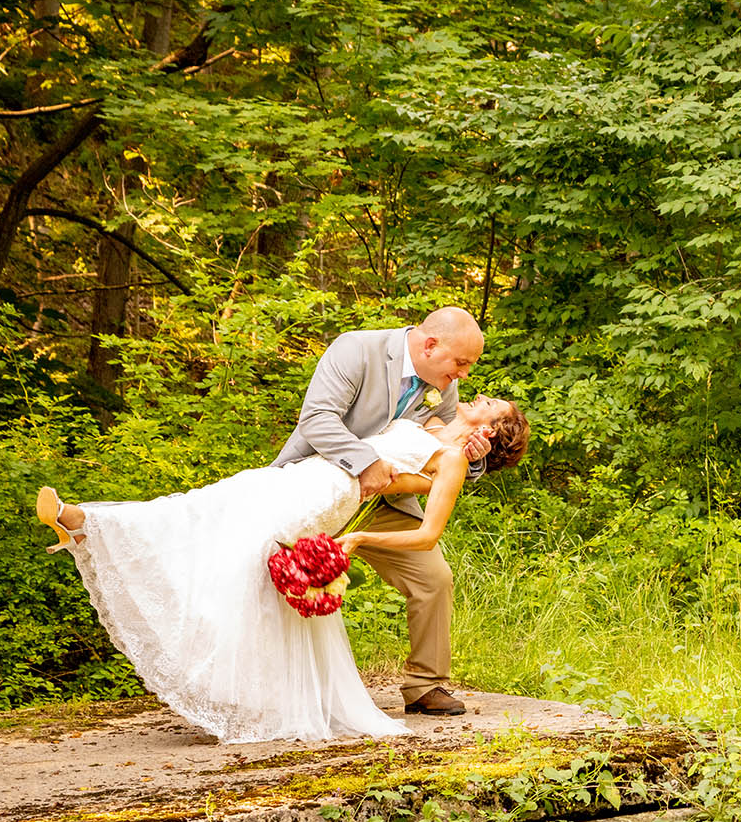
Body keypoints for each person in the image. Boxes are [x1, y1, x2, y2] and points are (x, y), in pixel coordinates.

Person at [36, 397, 529, 744]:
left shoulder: (450, 462)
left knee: (235, 556)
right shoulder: (425, 420)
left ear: (487, 431)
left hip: (325, 496)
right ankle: (88, 524)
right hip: (302, 473)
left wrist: (358, 537)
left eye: (491, 406)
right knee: (204, 508)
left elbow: (426, 534)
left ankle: (86, 523)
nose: (479, 395)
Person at [269, 306, 496, 716]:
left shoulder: (443, 384)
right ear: (430, 345)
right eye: (461, 363)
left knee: (434, 577)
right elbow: (317, 419)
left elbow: (444, 446)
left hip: (387, 500)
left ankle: (426, 684)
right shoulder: (356, 349)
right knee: (278, 579)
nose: (463, 375)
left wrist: (475, 459)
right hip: (320, 485)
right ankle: (274, 684)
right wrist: (365, 464)